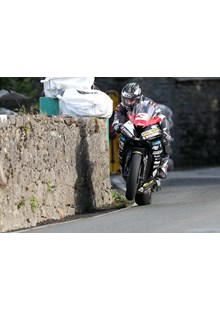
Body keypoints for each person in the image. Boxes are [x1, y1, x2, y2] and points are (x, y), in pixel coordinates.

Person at [112, 82, 172, 179]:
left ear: (138, 98)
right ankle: (123, 164)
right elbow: (116, 119)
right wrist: (116, 126)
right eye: (125, 99)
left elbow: (160, 116)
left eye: (131, 100)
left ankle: (163, 166)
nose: (128, 102)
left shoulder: (150, 103)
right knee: (121, 140)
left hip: (147, 128)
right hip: (131, 130)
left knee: (165, 141)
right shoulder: (121, 106)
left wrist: (164, 131)